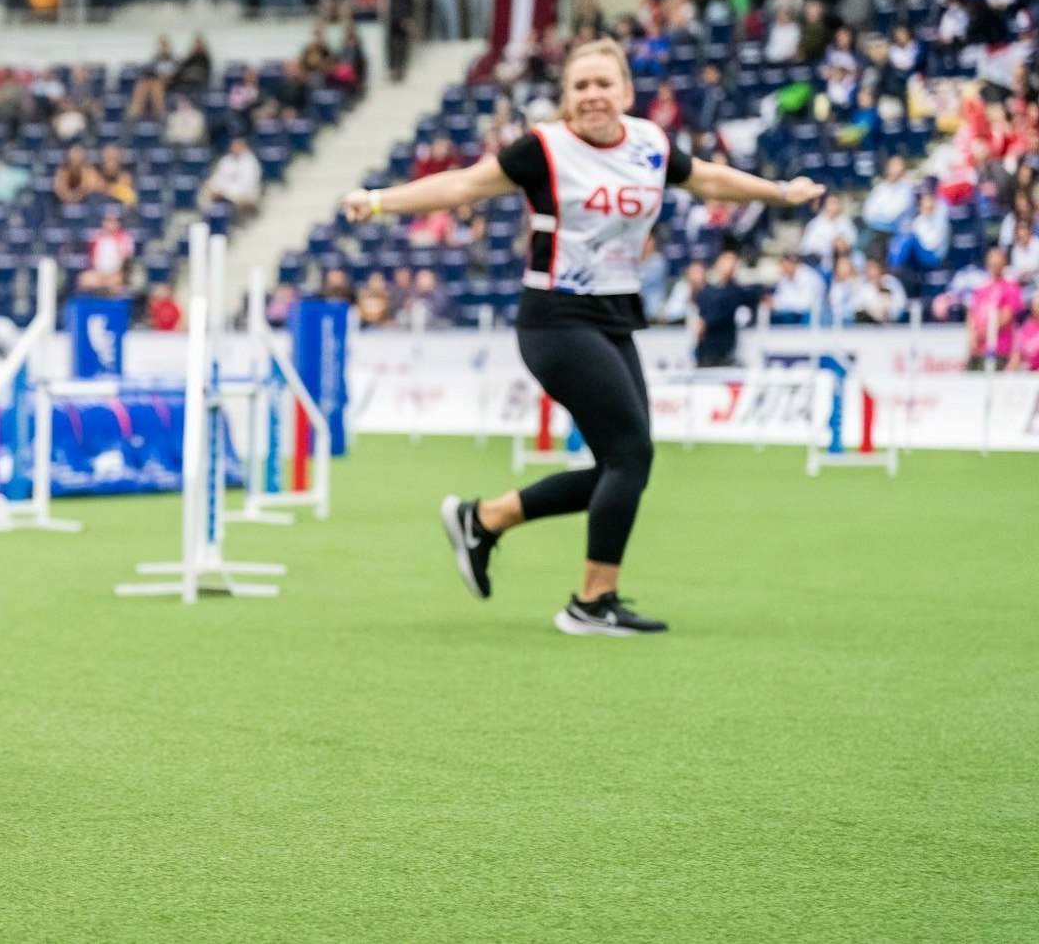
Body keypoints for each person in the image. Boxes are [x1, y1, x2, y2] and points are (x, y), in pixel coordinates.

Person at [341, 38, 824, 635]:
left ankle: (485, 519)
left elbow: (707, 181)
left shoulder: (649, 143)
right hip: (555, 319)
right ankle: (592, 604)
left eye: (603, 84)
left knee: (625, 464)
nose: (592, 95)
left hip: (615, 315)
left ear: (625, 91)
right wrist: (379, 201)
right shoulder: (543, 149)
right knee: (631, 455)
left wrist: (779, 192)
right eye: (580, 86)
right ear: (566, 100)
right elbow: (464, 186)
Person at [202, 137, 263, 216]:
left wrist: (226, 193)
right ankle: (210, 218)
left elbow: (249, 184)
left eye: (237, 146)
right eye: (233, 146)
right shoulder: (226, 160)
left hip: (243, 193)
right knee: (207, 187)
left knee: (243, 198)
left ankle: (236, 219)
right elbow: (218, 178)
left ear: (244, 147)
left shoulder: (251, 162)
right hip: (225, 191)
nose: (234, 148)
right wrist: (214, 186)